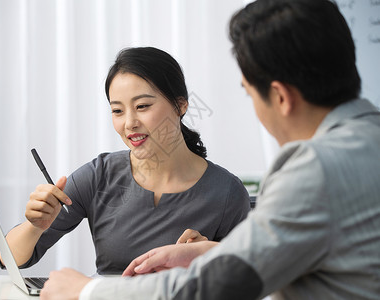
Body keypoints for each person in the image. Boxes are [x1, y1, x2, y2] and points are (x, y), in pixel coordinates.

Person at [39, 0, 380, 299]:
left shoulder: (313, 168)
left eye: (249, 94)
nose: (130, 123)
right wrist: (217, 253)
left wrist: (86, 291)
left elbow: (219, 285)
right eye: (117, 109)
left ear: (280, 97)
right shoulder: (369, 139)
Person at [2, 47, 251, 275]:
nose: (129, 123)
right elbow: (9, 259)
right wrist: (35, 226)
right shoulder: (99, 175)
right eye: (117, 111)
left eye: (142, 106)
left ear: (180, 105)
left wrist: (206, 257)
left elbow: (246, 279)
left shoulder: (227, 192)